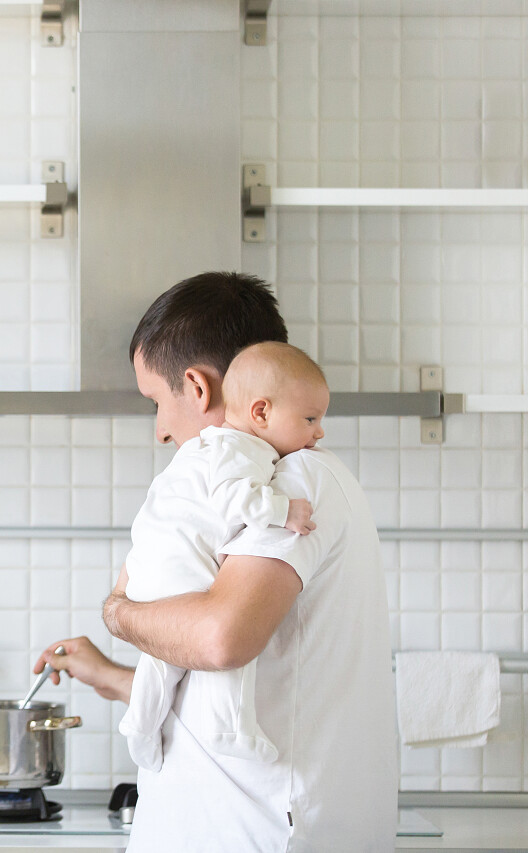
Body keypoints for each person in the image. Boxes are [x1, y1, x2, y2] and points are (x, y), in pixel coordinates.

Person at [34, 272, 397, 852]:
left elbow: (221, 640)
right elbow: (251, 686)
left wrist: (119, 611)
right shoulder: (271, 479)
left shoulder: (294, 480)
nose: (159, 430)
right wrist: (114, 677)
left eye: (156, 401)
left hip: (256, 835)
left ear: (197, 388)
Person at [119, 341, 329, 773]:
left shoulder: (211, 447)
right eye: (311, 419)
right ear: (261, 413)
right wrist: (283, 510)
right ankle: (234, 728)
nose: (320, 432)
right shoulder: (243, 449)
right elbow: (236, 501)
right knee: (230, 645)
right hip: (184, 572)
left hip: (151, 570)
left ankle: (139, 726)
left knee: (161, 663)